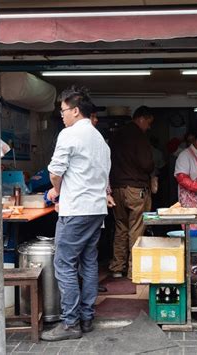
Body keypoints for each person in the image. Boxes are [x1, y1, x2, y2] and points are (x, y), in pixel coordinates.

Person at [41, 87, 111, 341]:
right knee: (89, 262)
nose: (62, 116)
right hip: (96, 210)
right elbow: (103, 177)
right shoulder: (100, 140)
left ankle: (70, 324)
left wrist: (56, 191)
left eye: (63, 111)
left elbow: (56, 170)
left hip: (77, 209)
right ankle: (86, 317)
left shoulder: (69, 134)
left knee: (65, 264)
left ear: (75, 110)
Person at [109, 106, 155, 279]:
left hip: (116, 188)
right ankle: (133, 269)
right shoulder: (139, 136)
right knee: (136, 227)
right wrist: (151, 168)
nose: (148, 127)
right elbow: (146, 164)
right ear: (141, 118)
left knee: (121, 227)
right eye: (148, 123)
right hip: (135, 189)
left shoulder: (116, 135)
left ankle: (117, 268)